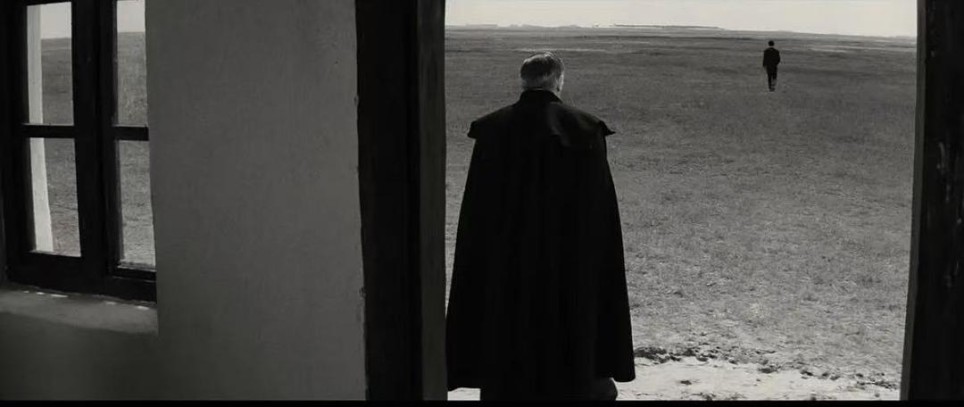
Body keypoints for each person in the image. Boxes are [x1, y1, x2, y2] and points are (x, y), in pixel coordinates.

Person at [445, 52, 636, 401]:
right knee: (571, 321)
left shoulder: (492, 129)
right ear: (558, 81)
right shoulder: (585, 129)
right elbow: (597, 211)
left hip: (507, 257)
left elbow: (479, 211)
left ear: (524, 82)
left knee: (508, 322)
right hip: (570, 256)